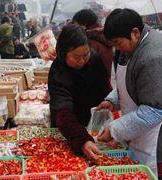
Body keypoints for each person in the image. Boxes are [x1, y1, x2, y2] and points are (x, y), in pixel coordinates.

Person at [96, 9, 162, 179]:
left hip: (161, 140)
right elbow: (132, 83)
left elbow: (153, 112)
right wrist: (112, 100)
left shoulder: (155, 57)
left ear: (135, 33)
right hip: (140, 130)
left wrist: (114, 130)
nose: (118, 49)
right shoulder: (132, 47)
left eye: (118, 43)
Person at [48, 24, 111, 160]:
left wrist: (109, 104)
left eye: (85, 54)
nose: (82, 61)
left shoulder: (93, 59)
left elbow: (105, 88)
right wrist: (82, 139)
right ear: (63, 53)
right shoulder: (58, 72)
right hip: (70, 129)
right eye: (76, 57)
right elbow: (62, 112)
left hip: (93, 125)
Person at [72, 9, 114, 89]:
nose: (74, 28)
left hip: (93, 89)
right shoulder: (103, 36)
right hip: (104, 86)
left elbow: (84, 70)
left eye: (76, 25)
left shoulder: (90, 42)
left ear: (84, 25)